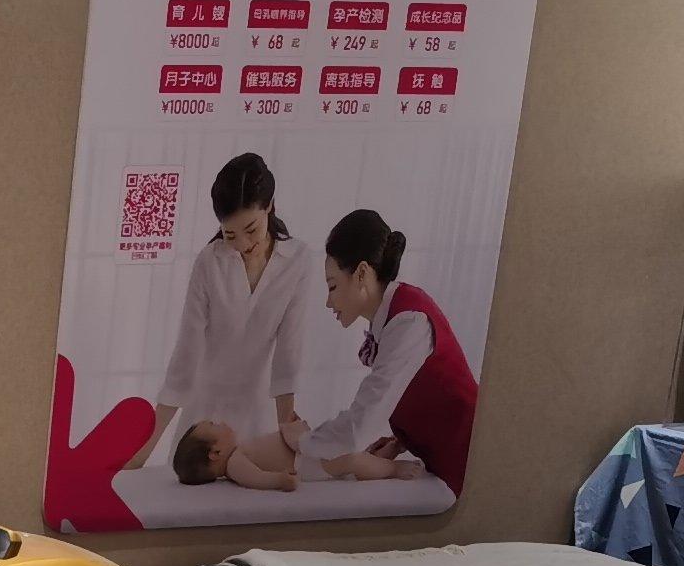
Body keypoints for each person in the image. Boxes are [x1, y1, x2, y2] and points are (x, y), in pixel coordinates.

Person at [131, 152, 314, 475]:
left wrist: (287, 432)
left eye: (251, 230)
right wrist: (145, 448)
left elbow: (289, 352)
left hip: (258, 415)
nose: (242, 244)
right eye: (230, 235)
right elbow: (186, 354)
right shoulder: (209, 262)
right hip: (205, 421)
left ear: (270, 206)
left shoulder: (297, 260)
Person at [290, 209, 480, 489]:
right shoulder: (394, 317)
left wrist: (302, 441)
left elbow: (360, 424)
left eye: (332, 286)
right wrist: (402, 440)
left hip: (472, 462)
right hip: (450, 461)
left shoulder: (409, 322)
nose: (328, 302)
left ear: (361, 273)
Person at [171, 415, 421, 492]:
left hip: (304, 452)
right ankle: (392, 469)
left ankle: (379, 458)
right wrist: (280, 481)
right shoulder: (235, 464)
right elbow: (256, 478)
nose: (223, 423)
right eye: (215, 425)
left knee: (349, 456)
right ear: (215, 453)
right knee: (351, 461)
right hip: (304, 463)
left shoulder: (237, 454)